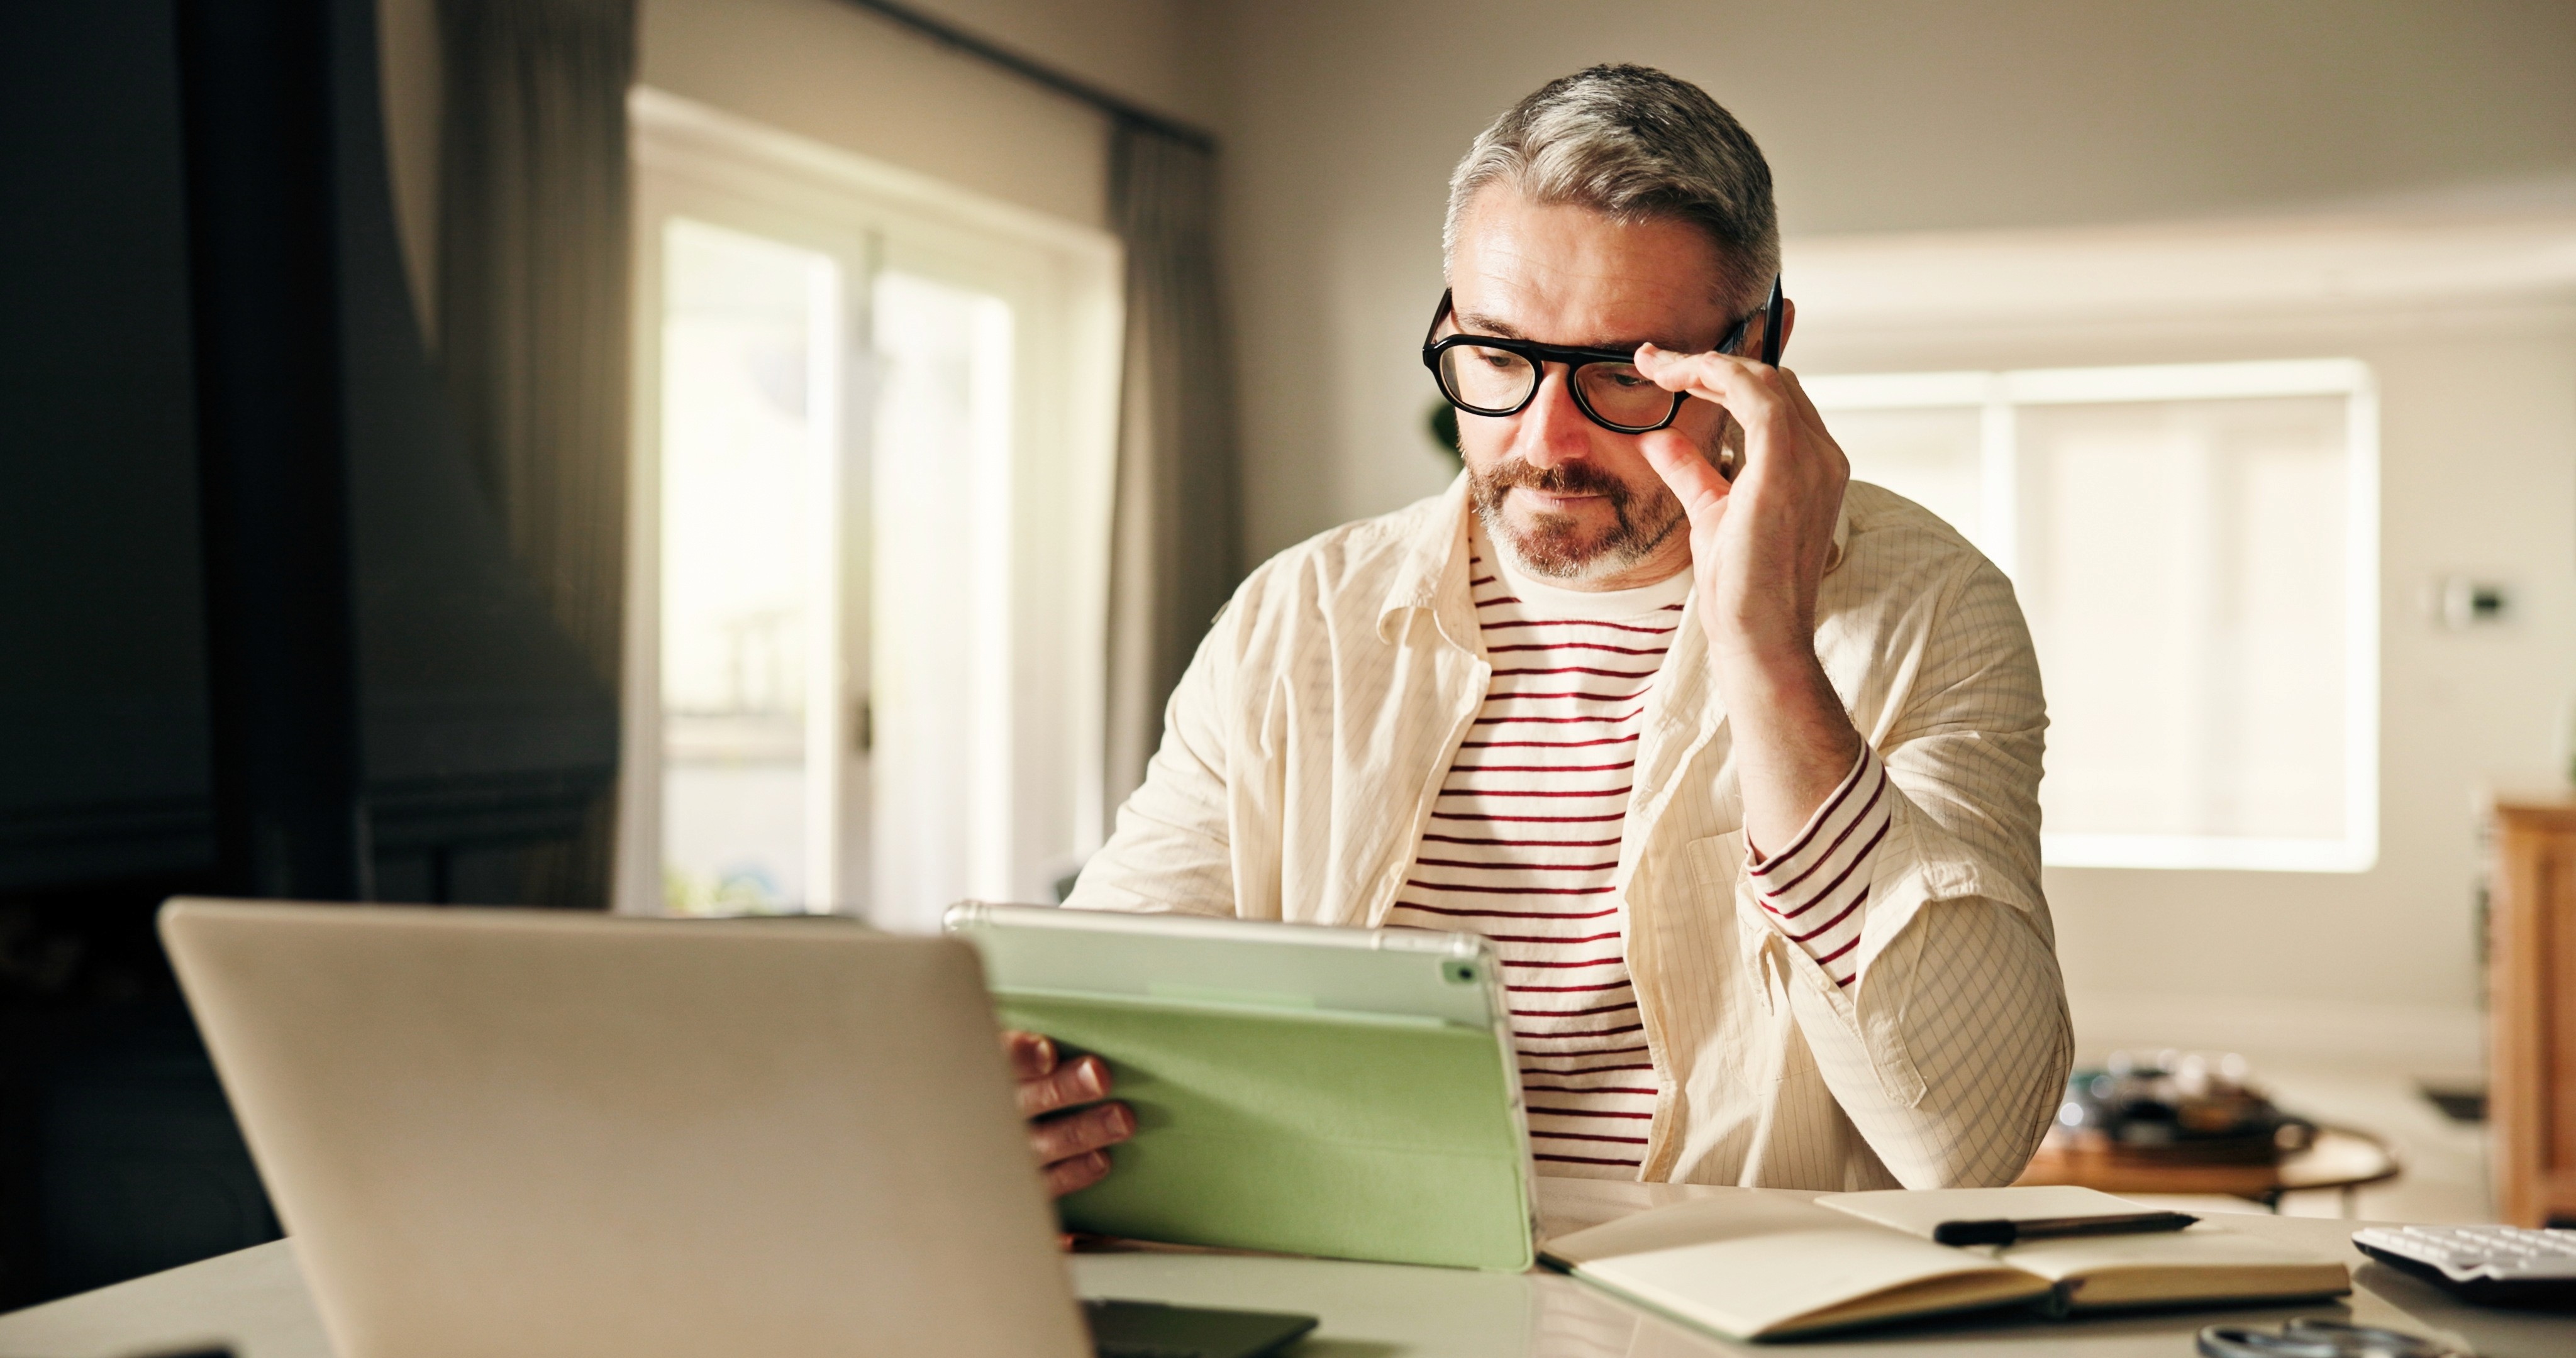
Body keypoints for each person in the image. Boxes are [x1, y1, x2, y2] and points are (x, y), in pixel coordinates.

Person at [1017, 62, 2070, 1195]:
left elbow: (1963, 1138)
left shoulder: (1934, 613)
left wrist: (1765, 649)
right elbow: (1105, 1022)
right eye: (1501, 356)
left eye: (1623, 375)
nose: (1545, 438)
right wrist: (1034, 1105)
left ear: (1759, 348)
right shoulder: (1299, 617)